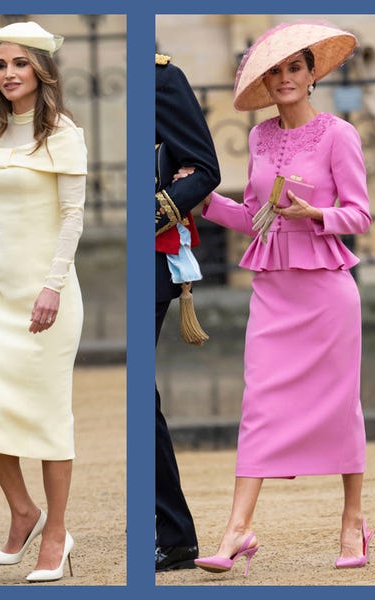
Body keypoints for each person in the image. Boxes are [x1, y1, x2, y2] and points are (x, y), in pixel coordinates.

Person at [191, 21, 373, 575]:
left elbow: (360, 215)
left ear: (312, 74)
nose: (285, 78)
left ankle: (352, 521)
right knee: (259, 405)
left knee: (341, 406)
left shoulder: (340, 134)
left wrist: (314, 213)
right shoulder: (258, 138)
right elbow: (255, 217)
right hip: (273, 290)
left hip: (326, 291)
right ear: (265, 84)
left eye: (295, 67)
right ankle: (237, 529)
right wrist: (198, 201)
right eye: (275, 71)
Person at [0, 21, 87, 583]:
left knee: (47, 418)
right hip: (2, 293)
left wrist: (52, 286)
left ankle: (56, 534)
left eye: (20, 64)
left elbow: (72, 216)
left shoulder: (63, 132)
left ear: (41, 70)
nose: (8, 73)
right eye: (1, 64)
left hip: (47, 296)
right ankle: (22, 510)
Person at [153, 51, 221, 572]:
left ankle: (174, 535)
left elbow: (205, 168)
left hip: (153, 252)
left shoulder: (162, 76)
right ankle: (172, 533)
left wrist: (150, 212)